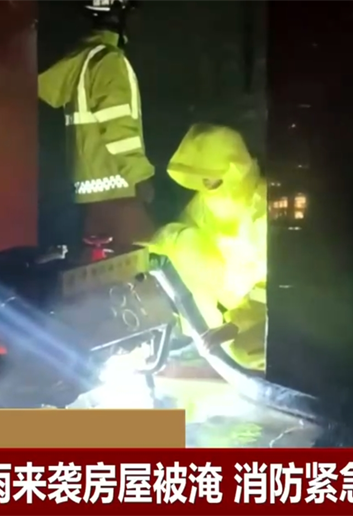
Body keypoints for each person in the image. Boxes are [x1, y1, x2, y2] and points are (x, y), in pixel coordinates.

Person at [144, 124, 268, 371]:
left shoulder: (264, 204)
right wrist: (140, 254)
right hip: (233, 299)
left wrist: (236, 324)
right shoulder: (206, 201)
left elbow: (279, 284)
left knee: (243, 351)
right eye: (203, 179)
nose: (208, 185)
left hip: (270, 309)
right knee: (177, 240)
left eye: (213, 178)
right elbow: (180, 241)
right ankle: (196, 335)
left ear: (234, 169)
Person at [38, 0, 155, 247]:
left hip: (90, 190)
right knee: (144, 254)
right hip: (119, 189)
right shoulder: (108, 61)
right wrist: (140, 176)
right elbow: (118, 125)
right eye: (132, 13)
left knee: (99, 262)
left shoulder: (82, 60)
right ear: (118, 16)